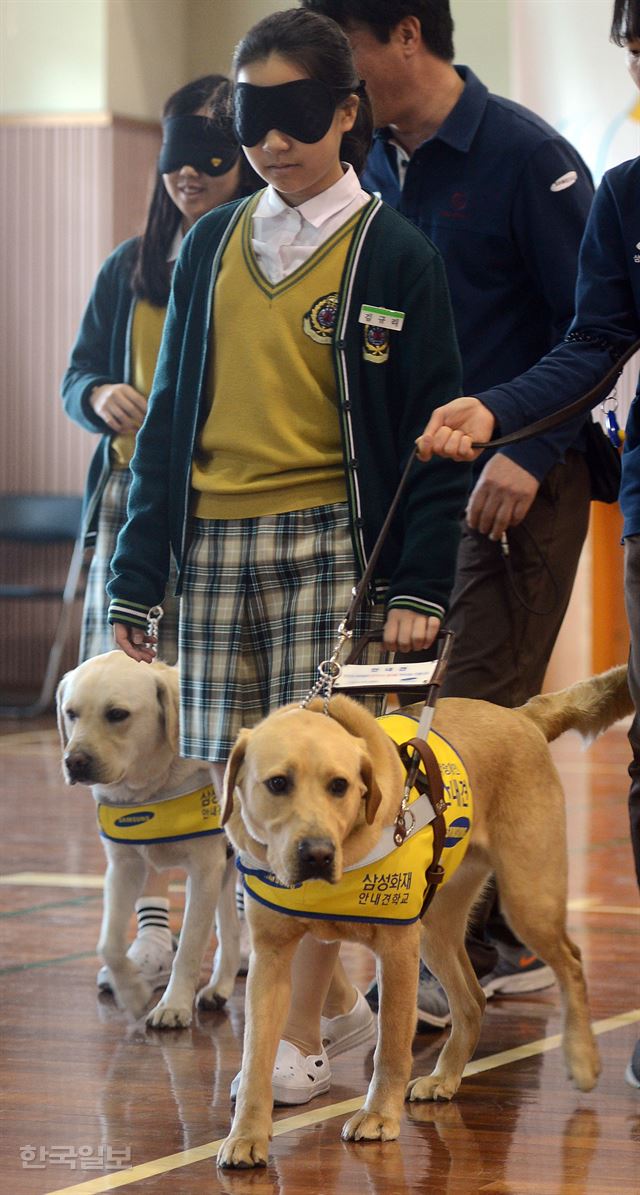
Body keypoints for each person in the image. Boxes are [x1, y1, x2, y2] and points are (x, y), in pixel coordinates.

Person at [106, 7, 469, 1101]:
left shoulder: (396, 251)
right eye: (254, 116)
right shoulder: (212, 243)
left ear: (348, 113)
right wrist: (138, 567)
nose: (272, 141)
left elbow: (431, 439)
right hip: (212, 548)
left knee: (325, 806)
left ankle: (302, 1041)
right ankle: (347, 1011)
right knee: (251, 811)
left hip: (333, 550)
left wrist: (415, 584)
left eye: (298, 115)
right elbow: (167, 420)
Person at [303, 0, 597, 1026]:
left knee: (469, 720)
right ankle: (429, 935)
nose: (332, 87)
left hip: (519, 483)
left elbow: (590, 333)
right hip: (408, 498)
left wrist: (526, 448)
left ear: (407, 38)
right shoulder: (372, 164)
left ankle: (473, 944)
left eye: (345, 57)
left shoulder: (528, 156)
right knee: (390, 716)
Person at [416, 0, 640, 1092]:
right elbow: (593, 342)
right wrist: (496, 411)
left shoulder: (531, 161)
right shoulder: (629, 194)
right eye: (635, 50)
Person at [61, 75, 259, 996]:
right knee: (123, 712)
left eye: (210, 164)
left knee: (213, 721)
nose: (189, 181)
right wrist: (99, 397)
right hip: (130, 512)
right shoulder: (127, 269)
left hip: (219, 515)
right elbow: (78, 376)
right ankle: (148, 918)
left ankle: (239, 918)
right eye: (175, 165)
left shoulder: (258, 255)